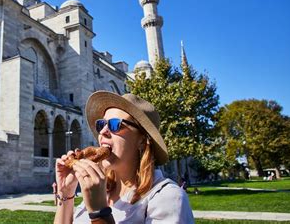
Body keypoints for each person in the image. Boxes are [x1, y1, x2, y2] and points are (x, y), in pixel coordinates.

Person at [54, 91, 194, 223]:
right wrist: (66, 193)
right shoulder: (100, 192)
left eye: (115, 125)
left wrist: (100, 212)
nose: (103, 131)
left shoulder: (167, 197)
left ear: (142, 139)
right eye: (101, 124)